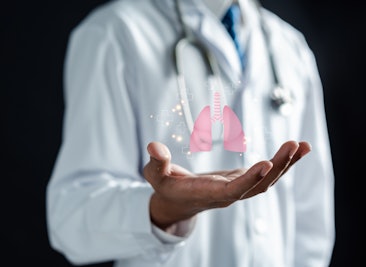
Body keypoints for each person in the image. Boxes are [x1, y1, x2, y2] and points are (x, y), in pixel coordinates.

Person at [46, 0, 335, 266]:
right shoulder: (113, 33)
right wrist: (162, 211)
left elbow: (311, 222)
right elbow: (71, 217)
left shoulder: (289, 47)